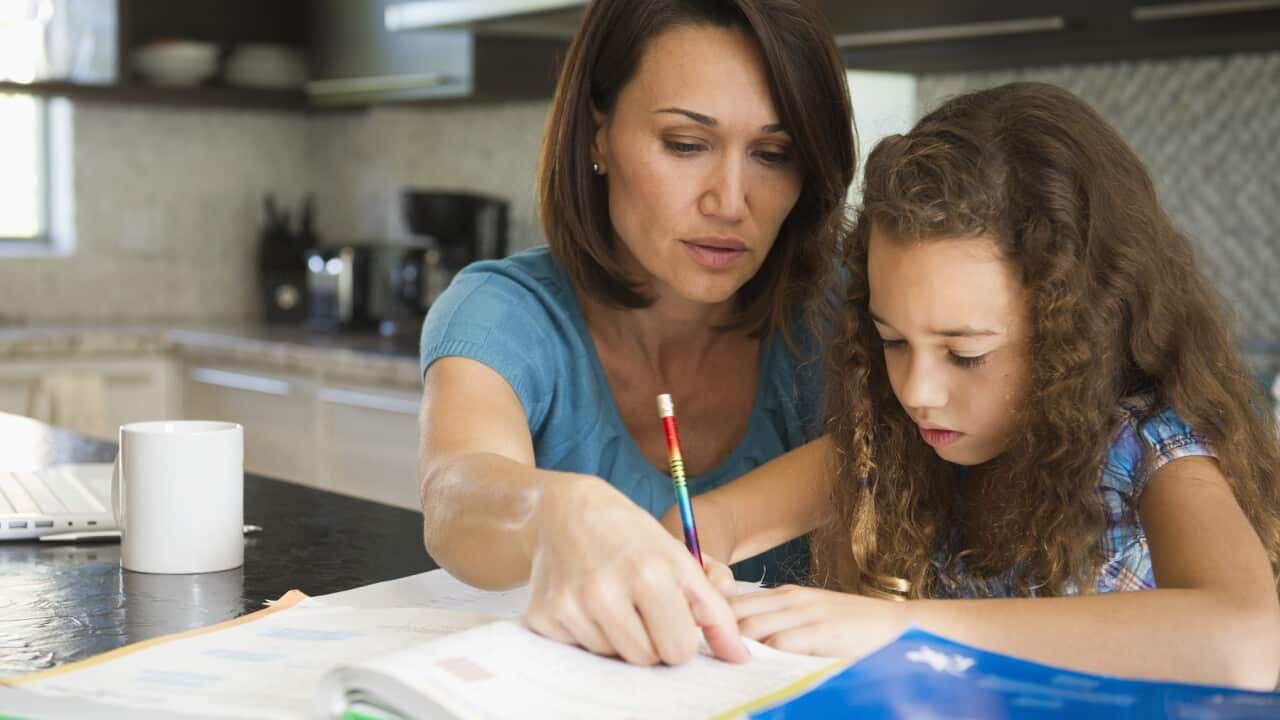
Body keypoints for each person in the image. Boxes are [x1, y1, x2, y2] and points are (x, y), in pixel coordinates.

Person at [672, 82, 1280, 689]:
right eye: (893, 340)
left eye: (965, 354)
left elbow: (1247, 640)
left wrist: (902, 627)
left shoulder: (1146, 447)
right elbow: (707, 523)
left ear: (1080, 332)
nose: (918, 392)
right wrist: (691, 564)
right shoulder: (898, 443)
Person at [416, 0, 854, 667]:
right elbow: (454, 493)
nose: (730, 201)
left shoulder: (842, 316)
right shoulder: (503, 311)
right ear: (598, 134)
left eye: (773, 154)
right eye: (685, 144)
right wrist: (557, 513)